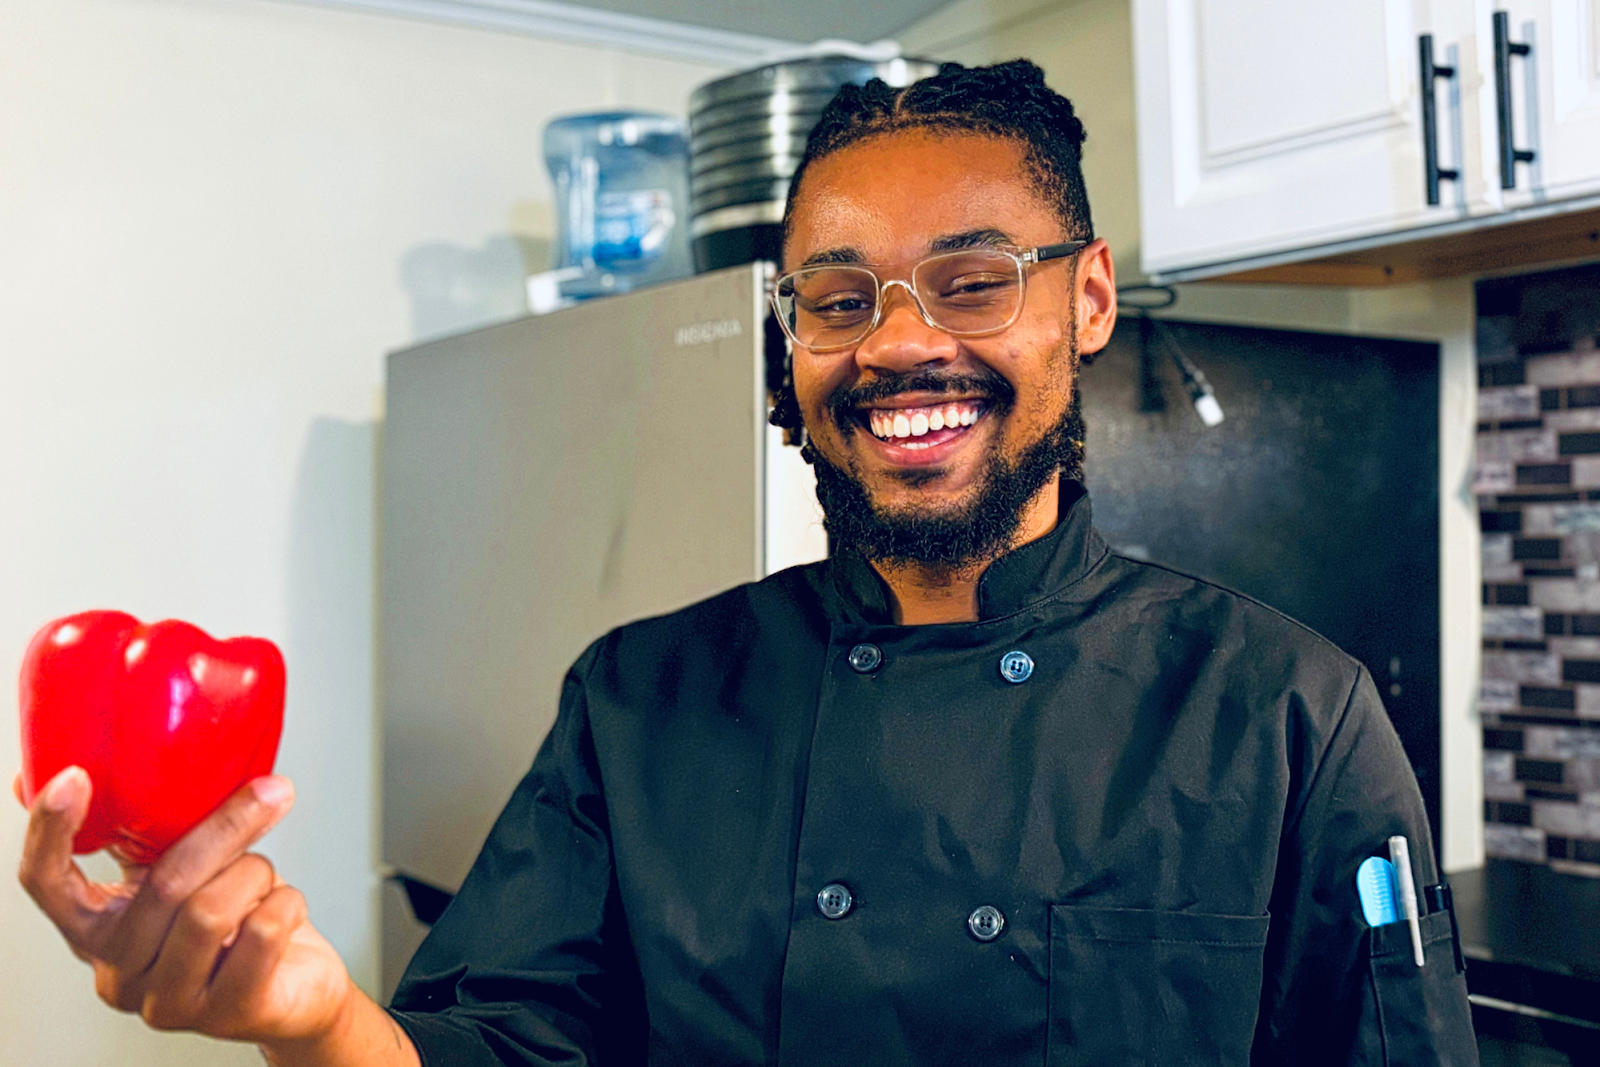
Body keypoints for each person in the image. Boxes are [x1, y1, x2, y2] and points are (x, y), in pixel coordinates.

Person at [17, 60, 1477, 1066]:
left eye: (972, 281)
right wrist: (307, 1015)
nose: (902, 341)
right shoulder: (640, 701)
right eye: (842, 298)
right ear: (797, 339)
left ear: (1087, 299)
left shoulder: (1288, 713)